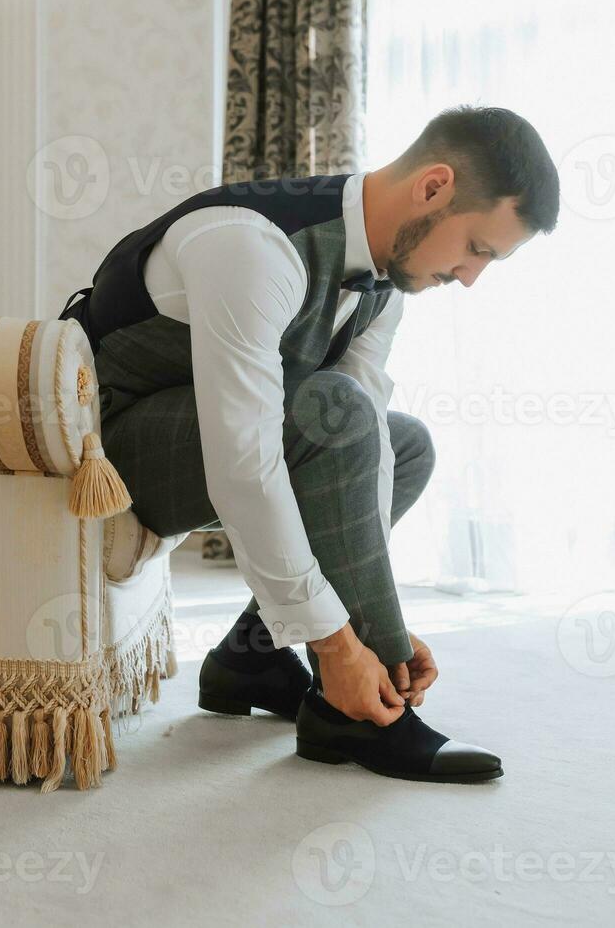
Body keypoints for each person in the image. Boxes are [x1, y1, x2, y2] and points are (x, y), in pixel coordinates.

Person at [58, 105, 559, 782]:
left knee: (404, 444)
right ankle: (354, 718)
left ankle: (251, 657)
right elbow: (244, 465)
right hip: (115, 452)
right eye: (477, 249)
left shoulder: (387, 283)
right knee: (334, 408)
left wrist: (375, 614)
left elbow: (367, 444)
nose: (471, 277)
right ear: (434, 188)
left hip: (216, 444)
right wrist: (341, 644)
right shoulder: (251, 246)